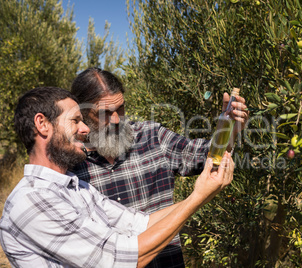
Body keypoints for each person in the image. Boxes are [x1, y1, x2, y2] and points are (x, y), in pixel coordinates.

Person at [0, 87, 234, 268]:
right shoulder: (32, 201)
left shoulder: (77, 188)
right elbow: (122, 259)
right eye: (75, 121)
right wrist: (198, 198)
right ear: (42, 124)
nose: (85, 129)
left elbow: (140, 224)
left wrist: (201, 193)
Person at [70, 68, 248, 267]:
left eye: (120, 108)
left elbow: (205, 156)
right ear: (82, 114)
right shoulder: (71, 166)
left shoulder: (151, 137)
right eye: (104, 113)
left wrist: (230, 130)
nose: (117, 120)